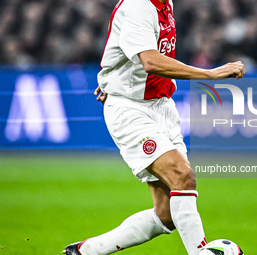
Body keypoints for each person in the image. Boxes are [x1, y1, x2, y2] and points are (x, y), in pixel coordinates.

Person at [63, 0, 245, 254]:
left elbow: (129, 49)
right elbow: (150, 60)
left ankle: (87, 251)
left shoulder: (164, 2)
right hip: (131, 109)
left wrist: (112, 77)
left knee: (167, 214)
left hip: (161, 105)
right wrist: (211, 74)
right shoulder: (139, 5)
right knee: (182, 176)